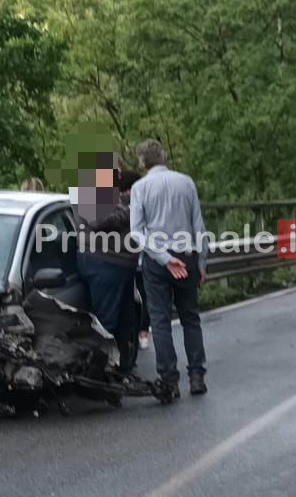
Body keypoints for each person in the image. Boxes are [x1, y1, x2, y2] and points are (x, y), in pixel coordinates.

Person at [129, 139, 207, 402]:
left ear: (143, 162)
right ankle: (197, 375)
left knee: (160, 321)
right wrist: (202, 262)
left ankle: (169, 380)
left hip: (156, 261)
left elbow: (137, 232)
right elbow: (198, 226)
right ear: (163, 157)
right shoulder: (186, 182)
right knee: (190, 318)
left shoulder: (140, 188)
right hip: (186, 256)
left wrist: (163, 257)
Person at [73, 153, 138, 369]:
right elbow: (100, 220)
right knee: (107, 321)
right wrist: (130, 211)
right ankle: (103, 370)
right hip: (104, 262)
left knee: (125, 321)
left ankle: (122, 367)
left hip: (120, 264)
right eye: (115, 171)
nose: (119, 175)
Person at [118, 168, 150, 352]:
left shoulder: (135, 204)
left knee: (141, 297)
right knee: (139, 298)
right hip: (131, 258)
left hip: (132, 259)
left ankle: (141, 332)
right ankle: (140, 332)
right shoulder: (126, 205)